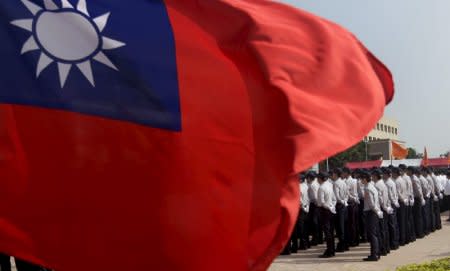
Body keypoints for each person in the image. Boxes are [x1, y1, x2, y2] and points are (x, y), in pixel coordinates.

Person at [361, 170, 383, 262]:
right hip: (374, 212)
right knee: (375, 233)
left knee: (372, 234)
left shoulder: (367, 188)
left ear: (365, 179)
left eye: (361, 178)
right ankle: (376, 253)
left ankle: (374, 254)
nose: (360, 180)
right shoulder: (372, 186)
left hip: (371, 212)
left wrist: (376, 211)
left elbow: (371, 204)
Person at [317, 172, 337, 258]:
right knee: (331, 231)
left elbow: (321, 202)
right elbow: (334, 199)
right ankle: (332, 250)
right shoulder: (329, 185)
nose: (317, 180)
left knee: (327, 231)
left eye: (318, 178)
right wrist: (332, 207)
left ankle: (329, 251)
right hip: (331, 210)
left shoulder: (321, 187)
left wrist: (328, 207)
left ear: (321, 178)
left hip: (325, 210)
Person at [373, 169, 391, 256]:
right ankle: (386, 248)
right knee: (384, 229)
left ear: (376, 176)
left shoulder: (377, 185)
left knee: (380, 230)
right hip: (385, 208)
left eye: (372, 176)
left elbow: (380, 199)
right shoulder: (383, 183)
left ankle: (382, 248)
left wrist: (381, 208)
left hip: (381, 208)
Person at [383, 168, 400, 250]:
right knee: (394, 223)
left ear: (386, 174)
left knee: (391, 224)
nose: (382, 175)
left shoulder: (387, 183)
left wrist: (393, 202)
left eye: (384, 174)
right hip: (393, 204)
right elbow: (395, 194)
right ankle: (395, 242)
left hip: (390, 205)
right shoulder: (392, 182)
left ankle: (393, 243)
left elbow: (389, 195)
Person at [343, 167, 359, 247]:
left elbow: (347, 193)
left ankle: (352, 240)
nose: (342, 174)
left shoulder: (347, 181)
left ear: (347, 173)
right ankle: (355, 240)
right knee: (354, 223)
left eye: (344, 172)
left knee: (350, 223)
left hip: (350, 203)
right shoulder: (355, 180)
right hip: (355, 203)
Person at [399, 164, 415, 243]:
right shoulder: (408, 177)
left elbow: (403, 191)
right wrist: (411, 198)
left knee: (404, 221)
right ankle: (410, 236)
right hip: (408, 199)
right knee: (408, 219)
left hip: (405, 200)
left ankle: (406, 238)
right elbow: (411, 189)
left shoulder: (403, 178)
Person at [409, 167, 426, 238]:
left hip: (417, 199)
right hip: (415, 199)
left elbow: (419, 190)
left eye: (408, 170)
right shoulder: (411, 178)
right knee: (416, 217)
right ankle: (418, 232)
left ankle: (420, 233)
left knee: (418, 217)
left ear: (411, 171)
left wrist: (422, 199)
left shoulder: (414, 179)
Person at [306, 171, 322, 246]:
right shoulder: (316, 183)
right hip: (317, 205)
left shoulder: (312, 185)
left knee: (314, 223)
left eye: (307, 178)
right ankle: (319, 238)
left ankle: (315, 239)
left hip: (314, 205)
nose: (306, 179)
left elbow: (315, 197)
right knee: (318, 222)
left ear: (310, 178)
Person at [394, 167, 408, 246]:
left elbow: (398, 193)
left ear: (395, 173)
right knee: (403, 221)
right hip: (404, 201)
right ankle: (404, 238)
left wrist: (402, 200)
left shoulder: (397, 181)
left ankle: (402, 240)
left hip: (401, 201)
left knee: (400, 222)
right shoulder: (402, 180)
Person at [298, 173, 310, 250]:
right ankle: (306, 243)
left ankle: (303, 244)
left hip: (301, 208)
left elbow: (299, 200)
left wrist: (302, 206)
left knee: (301, 227)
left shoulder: (299, 187)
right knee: (305, 227)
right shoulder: (306, 186)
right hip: (306, 207)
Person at [419, 167, 432, 235]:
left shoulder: (427, 178)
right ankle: (427, 229)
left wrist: (426, 195)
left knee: (425, 214)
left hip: (425, 197)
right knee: (425, 214)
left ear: (425, 172)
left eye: (422, 171)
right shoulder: (424, 178)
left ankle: (427, 229)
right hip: (425, 197)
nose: (421, 172)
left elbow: (429, 188)